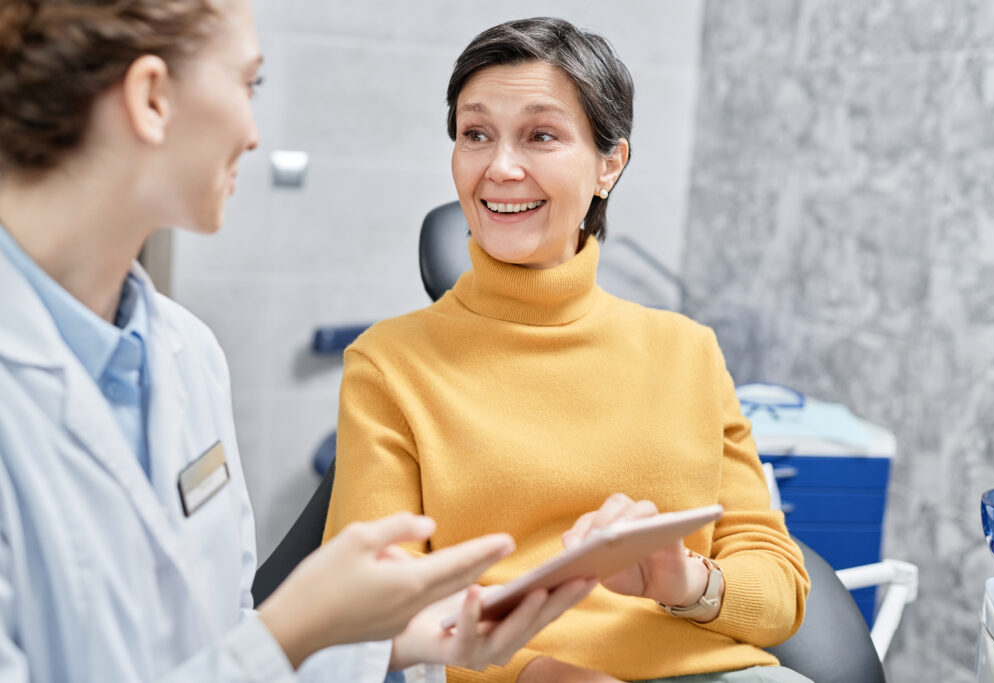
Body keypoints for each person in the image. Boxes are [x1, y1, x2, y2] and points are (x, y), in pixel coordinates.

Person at [0, 2, 596, 681]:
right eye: (247, 84)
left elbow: (221, 640)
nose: (254, 134)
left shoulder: (187, 355)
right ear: (152, 98)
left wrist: (394, 644)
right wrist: (296, 628)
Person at [324, 17, 811, 683]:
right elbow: (371, 614)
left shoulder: (687, 351)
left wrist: (686, 580)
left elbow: (780, 587)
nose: (500, 167)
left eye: (541, 135)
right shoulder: (391, 364)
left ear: (610, 164)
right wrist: (534, 671)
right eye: (476, 134)